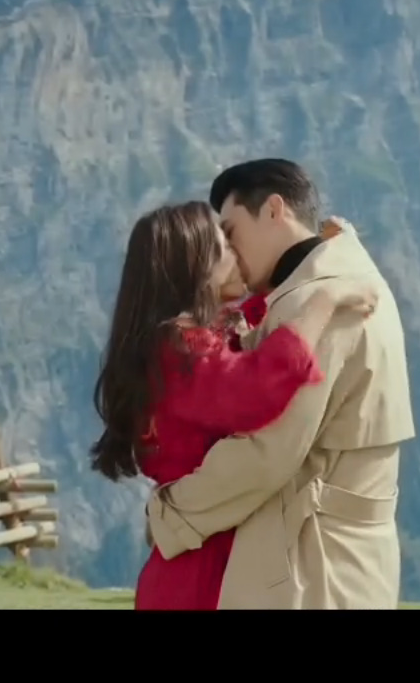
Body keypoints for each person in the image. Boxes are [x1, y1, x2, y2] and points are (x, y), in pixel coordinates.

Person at [145, 159, 416, 609]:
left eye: (231, 232)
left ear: (274, 210)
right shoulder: (352, 275)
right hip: (346, 554)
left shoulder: (315, 301)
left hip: (311, 565)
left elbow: (267, 453)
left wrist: (171, 513)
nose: (229, 252)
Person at [89, 200, 377, 610]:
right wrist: (324, 301)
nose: (238, 252)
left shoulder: (172, 346)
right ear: (198, 265)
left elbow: (258, 318)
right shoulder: (182, 352)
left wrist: (319, 254)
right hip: (205, 567)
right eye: (224, 243)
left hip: (193, 555)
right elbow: (254, 388)